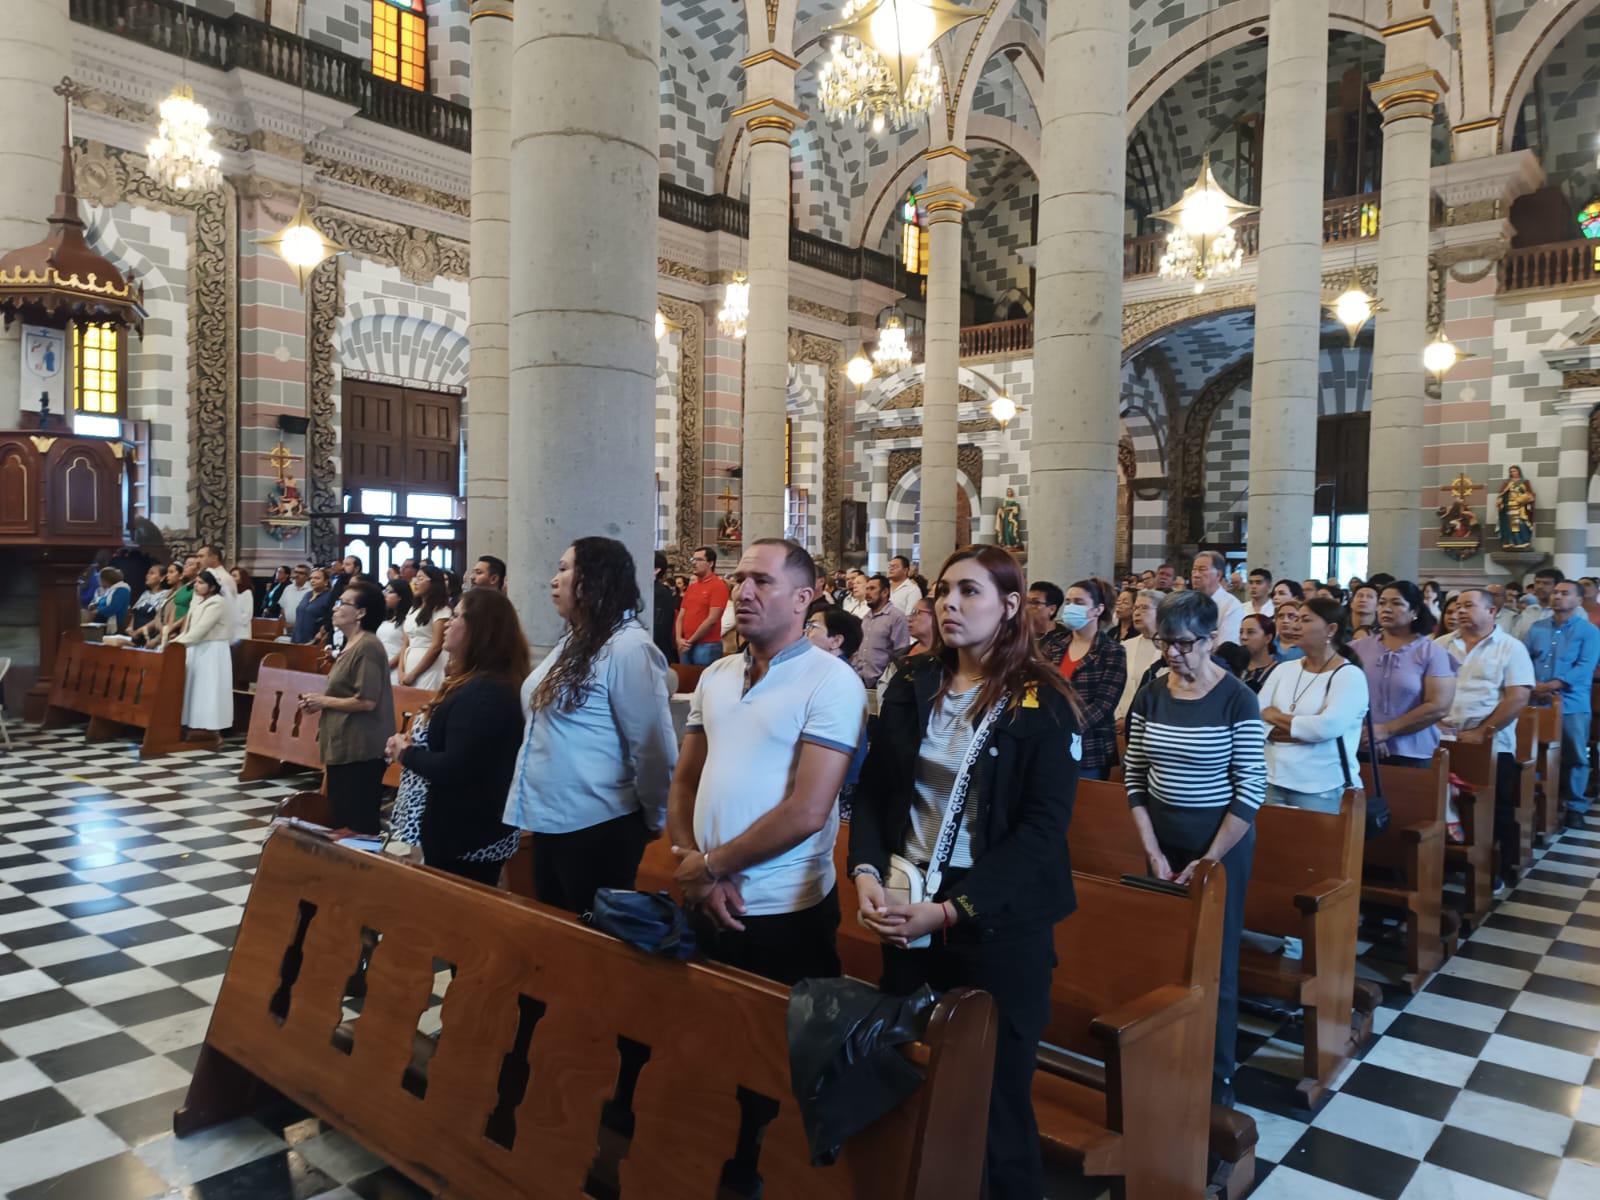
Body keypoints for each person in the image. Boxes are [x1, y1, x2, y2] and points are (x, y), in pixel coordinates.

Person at [850, 544, 1080, 1199]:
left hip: (997, 924)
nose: (950, 604)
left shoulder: (1042, 699)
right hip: (907, 902)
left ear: (1009, 607)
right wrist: (865, 870)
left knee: (996, 1103)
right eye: (944, 591)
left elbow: (1042, 831)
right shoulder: (914, 680)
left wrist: (953, 910)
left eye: (970, 592)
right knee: (911, 1082)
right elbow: (876, 790)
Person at [666, 538, 864, 985]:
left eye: (761, 581)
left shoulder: (832, 681)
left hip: (782, 907)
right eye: (739, 580)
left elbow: (808, 811)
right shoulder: (717, 675)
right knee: (695, 1038)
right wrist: (693, 864)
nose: (743, 592)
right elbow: (685, 783)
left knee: (780, 1047)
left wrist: (712, 867)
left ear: (802, 598)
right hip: (702, 891)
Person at [1123, 590, 1263, 1112]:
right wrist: (1153, 851)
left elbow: (1250, 788)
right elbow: (1135, 773)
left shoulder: (1236, 699)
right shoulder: (1153, 692)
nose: (1172, 655)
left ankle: (1214, 1081)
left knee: (1214, 961)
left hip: (1220, 847)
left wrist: (1208, 859)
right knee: (1161, 951)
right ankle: (1162, 1058)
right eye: (1166, 643)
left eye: (1183, 644)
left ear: (1211, 640)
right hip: (1161, 838)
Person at [503, 538, 678, 912]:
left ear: (593, 580)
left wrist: (653, 816)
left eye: (564, 569)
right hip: (551, 820)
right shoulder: (576, 641)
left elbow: (652, 747)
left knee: (591, 948)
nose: (553, 580)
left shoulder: (628, 648)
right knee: (556, 937)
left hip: (598, 822)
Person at [389, 588, 530, 884]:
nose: (448, 624)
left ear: (479, 629)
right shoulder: (475, 681)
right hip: (457, 829)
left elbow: (456, 767)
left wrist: (406, 753)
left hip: (466, 835)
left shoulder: (486, 692)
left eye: (456, 617)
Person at [1438, 588, 1534, 895]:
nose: (1460, 611)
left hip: (1491, 744)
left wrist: (1482, 732)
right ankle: (1446, 863)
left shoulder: (1510, 648)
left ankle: (1496, 869)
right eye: (1457, 607)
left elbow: (1517, 696)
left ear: (1491, 612)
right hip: (1442, 738)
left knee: (1495, 808)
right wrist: (1434, 719)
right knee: (1438, 802)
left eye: (1469, 606)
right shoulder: (1440, 645)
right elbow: (1425, 690)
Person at [1256, 597, 1369, 812]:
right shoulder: (1283, 669)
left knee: (1313, 846)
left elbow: (1326, 728)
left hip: (1321, 786)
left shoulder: (1349, 676)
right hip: (1272, 778)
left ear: (1331, 629)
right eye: (1296, 618)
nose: (1295, 625)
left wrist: (1273, 717)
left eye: (1305, 619)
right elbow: (1255, 717)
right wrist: (1303, 731)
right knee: (1271, 846)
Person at [299, 581, 394, 834]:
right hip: (343, 741)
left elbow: (367, 700)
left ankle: (363, 869)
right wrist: (317, 702)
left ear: (361, 613)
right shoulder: (351, 644)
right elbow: (344, 692)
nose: (335, 608)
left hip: (361, 747)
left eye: (343, 603)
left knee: (358, 823)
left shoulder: (368, 646)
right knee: (341, 817)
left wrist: (323, 701)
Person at [1353, 581, 1457, 770]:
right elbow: (1339, 694)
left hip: (1411, 753)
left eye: (1396, 603)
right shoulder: (1357, 649)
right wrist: (1365, 733)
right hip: (1358, 747)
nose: (1386, 609)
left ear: (1414, 611)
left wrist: (1386, 731)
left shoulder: (1432, 653)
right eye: (1382, 603)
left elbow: (1438, 706)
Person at [1524, 579, 1599, 829]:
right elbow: (1524, 659)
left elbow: (1585, 667)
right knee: (1532, 751)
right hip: (1536, 700)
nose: (1557, 596)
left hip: (1571, 702)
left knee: (1575, 754)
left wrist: (1552, 685)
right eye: (1555, 592)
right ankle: (1534, 800)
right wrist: (1533, 683)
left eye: (1564, 593)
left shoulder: (1589, 631)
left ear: (1578, 600)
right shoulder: (1537, 627)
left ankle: (1575, 806)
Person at [1057, 579, 1126, 781]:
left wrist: (1062, 728)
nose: (1070, 607)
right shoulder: (1054, 646)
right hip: (1049, 742)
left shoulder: (1112, 652)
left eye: (1079, 602)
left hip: (1090, 748)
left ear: (1097, 610)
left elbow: (1103, 705)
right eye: (1068, 602)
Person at [174, 569, 233, 735]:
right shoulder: (200, 601)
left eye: (201, 583)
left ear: (212, 587)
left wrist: (176, 645)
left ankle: (211, 728)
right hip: (196, 647)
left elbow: (201, 630)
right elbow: (189, 630)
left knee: (208, 688)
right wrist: (175, 642)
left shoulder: (217, 603)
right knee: (194, 686)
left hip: (212, 649)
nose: (196, 586)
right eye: (196, 583)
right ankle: (193, 723)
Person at [851, 572, 910, 687]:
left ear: (885, 592)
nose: (867, 593)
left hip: (882, 682)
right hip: (860, 679)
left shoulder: (896, 617)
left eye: (872, 589)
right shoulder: (866, 617)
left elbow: (901, 652)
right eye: (867, 589)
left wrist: (887, 678)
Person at [398, 564, 451, 690]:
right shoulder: (413, 609)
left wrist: (414, 674)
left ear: (433, 583)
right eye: (415, 578)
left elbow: (436, 646)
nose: (415, 582)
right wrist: (401, 670)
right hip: (409, 661)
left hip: (429, 666)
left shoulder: (441, 610)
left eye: (420, 578)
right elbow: (406, 644)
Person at [676, 546, 729, 666]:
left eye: (699, 560)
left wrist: (690, 641)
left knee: (704, 682)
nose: (694, 563)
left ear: (710, 563)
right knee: (687, 682)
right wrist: (679, 638)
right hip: (685, 643)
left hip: (706, 645)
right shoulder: (692, 587)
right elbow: (681, 615)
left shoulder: (718, 586)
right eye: (693, 559)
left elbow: (712, 620)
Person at [1116, 589, 1164, 720]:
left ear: (1161, 612)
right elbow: (1115, 686)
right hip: (1120, 723)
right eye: (1136, 608)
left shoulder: (1169, 648)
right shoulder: (1125, 646)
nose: (1137, 612)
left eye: (1144, 608)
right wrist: (1119, 716)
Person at [1192, 550, 1244, 644]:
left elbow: (1225, 646)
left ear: (1218, 575)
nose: (1196, 575)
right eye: (1194, 570)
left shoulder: (1231, 606)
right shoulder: (1188, 602)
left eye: (1202, 569)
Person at [1026, 580, 1070, 665]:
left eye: (1035, 602)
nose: (1027, 607)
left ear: (1052, 609)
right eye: (1027, 601)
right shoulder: (1017, 632)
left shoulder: (1064, 638)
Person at [1514, 567, 1562, 641]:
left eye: (1546, 583)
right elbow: (1516, 637)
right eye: (1537, 582)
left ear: (1558, 586)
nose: (1540, 587)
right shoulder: (1529, 611)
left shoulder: (1567, 612)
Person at [291, 566, 336, 645]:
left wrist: (323, 632)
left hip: (315, 639)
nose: (312, 581)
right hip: (296, 637)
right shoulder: (307, 594)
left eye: (317, 578)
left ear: (326, 582)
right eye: (311, 578)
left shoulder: (330, 596)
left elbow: (332, 617)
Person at [378, 578, 411, 681]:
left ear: (400, 596)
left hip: (395, 668)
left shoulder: (408, 618)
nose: (385, 594)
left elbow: (406, 645)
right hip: (380, 666)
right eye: (385, 591)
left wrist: (390, 664)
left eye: (390, 592)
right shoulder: (386, 617)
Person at [127, 564, 171, 637]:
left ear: (162, 578)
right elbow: (135, 613)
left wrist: (139, 632)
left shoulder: (166, 594)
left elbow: (159, 618)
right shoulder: (145, 593)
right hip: (134, 635)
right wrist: (130, 628)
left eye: (152, 573)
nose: (147, 575)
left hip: (149, 636)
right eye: (148, 573)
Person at [1239, 613, 1279, 693]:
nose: (1243, 637)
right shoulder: (1233, 665)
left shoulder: (1278, 671)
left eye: (1250, 632)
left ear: (1268, 638)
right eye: (1241, 632)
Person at [652, 550, 679, 665]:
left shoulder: (661, 592)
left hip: (656, 651)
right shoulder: (644, 589)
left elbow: (659, 626)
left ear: (656, 570)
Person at [91, 567, 132, 633]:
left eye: (99, 579)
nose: (98, 581)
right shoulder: (111, 589)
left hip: (115, 625)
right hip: (103, 622)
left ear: (106, 580)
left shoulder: (122, 590)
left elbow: (112, 608)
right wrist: (95, 604)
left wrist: (98, 610)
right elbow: (103, 601)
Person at [229, 567, 256, 634]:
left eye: (234, 576)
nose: (231, 578)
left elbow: (247, 615)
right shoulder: (229, 592)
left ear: (241, 579)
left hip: (241, 630)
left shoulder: (246, 593)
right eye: (230, 575)